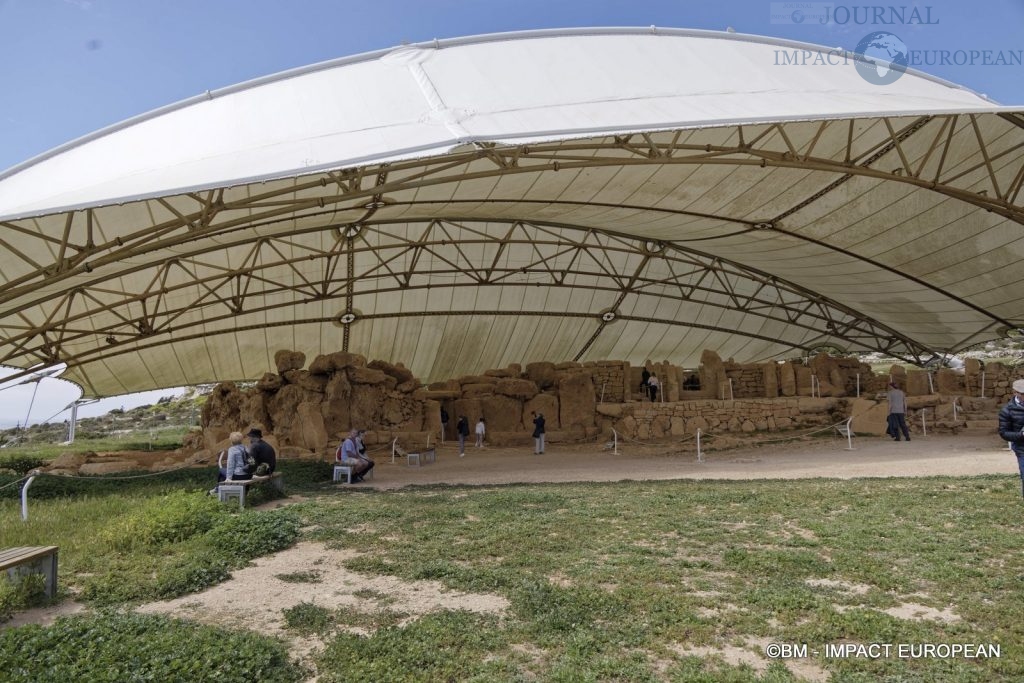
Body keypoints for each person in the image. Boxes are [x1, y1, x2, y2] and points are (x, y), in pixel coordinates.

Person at [998, 379, 1024, 498]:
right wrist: (1021, 435)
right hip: (1022, 448)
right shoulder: (1007, 411)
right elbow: (1004, 433)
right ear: (1015, 393)